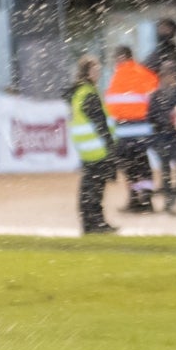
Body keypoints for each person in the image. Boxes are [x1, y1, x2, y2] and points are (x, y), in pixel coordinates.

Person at [104, 45, 159, 212]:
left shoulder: (117, 76)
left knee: (129, 167)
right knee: (143, 164)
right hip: (142, 127)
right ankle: (147, 199)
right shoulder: (144, 73)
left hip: (125, 129)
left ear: (121, 58)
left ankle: (135, 199)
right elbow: (155, 98)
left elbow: (110, 103)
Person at [66, 54, 117, 233]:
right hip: (97, 149)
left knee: (89, 187)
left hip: (86, 149)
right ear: (87, 72)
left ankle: (90, 222)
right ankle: (96, 222)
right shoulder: (89, 94)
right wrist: (111, 149)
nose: (99, 74)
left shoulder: (78, 93)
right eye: (95, 70)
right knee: (96, 188)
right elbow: (101, 123)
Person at [147, 60, 176, 212]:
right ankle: (170, 199)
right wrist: (168, 120)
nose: (168, 77)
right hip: (164, 136)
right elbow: (151, 116)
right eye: (165, 74)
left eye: (171, 73)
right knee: (166, 170)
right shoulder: (157, 95)